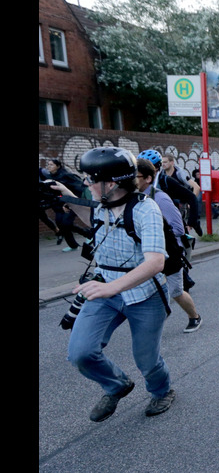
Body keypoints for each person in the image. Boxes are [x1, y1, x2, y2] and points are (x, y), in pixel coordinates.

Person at [49, 147, 176, 422]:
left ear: (112, 183)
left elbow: (155, 262)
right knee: (80, 353)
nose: (86, 183)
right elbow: (95, 223)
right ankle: (116, 385)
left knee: (146, 359)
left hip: (144, 294)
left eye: (91, 178)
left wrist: (112, 288)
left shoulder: (146, 209)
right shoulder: (101, 205)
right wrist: (66, 197)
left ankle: (162, 390)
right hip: (104, 285)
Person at [135, 159, 203, 333]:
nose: (131, 180)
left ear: (148, 178)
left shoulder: (159, 197)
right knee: (148, 289)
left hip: (169, 252)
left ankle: (194, 316)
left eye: (136, 176)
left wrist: (163, 242)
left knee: (176, 291)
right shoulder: (134, 198)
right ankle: (154, 320)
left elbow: (178, 227)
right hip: (147, 253)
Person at [43, 159, 88, 252]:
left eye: (51, 165)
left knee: (66, 223)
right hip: (58, 205)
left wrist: (75, 200)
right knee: (61, 224)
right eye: (48, 165)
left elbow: (79, 187)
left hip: (70, 204)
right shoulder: (49, 177)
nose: (48, 166)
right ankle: (73, 245)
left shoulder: (66, 175)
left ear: (58, 166)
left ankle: (88, 234)